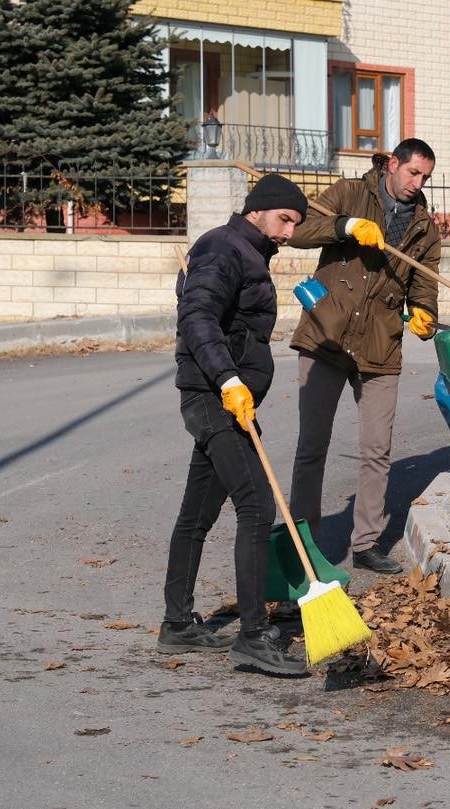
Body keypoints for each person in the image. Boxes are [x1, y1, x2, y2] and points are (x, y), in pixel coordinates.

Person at [158, 174, 310, 676]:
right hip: (213, 396)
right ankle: (252, 635)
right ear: (258, 210)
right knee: (256, 504)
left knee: (196, 516)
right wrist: (227, 379)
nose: (290, 232)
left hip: (229, 399)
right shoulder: (223, 248)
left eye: (296, 223)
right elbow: (197, 316)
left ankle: (177, 625)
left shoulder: (247, 251)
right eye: (285, 219)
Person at [286, 139, 440, 575]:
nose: (417, 183)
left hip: (381, 345)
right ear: (392, 164)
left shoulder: (425, 228)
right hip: (326, 336)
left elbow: (424, 285)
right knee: (311, 447)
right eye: (412, 173)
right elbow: (297, 230)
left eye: (425, 177)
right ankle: (303, 546)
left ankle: (367, 543)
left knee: (377, 450)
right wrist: (345, 226)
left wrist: (426, 313)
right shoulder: (350, 193)